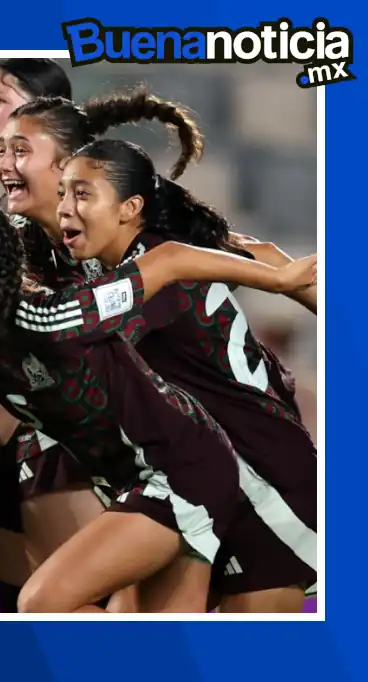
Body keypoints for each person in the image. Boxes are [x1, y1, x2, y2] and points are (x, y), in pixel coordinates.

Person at [0, 200, 315, 612]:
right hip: (135, 481)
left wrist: (278, 281)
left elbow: (169, 260)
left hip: (183, 469)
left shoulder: (55, 315)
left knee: (40, 603)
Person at [55, 138, 317, 611]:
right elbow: (258, 252)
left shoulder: (152, 272)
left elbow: (79, 347)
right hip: (197, 481)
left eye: (82, 194)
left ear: (129, 207)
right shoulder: (112, 265)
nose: (65, 209)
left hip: (264, 476)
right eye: (61, 194)